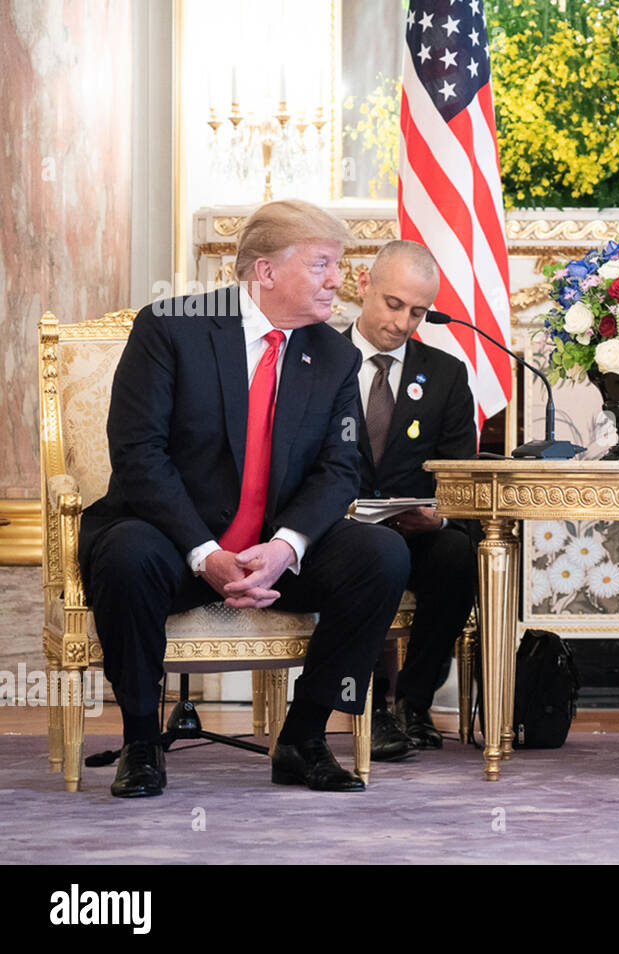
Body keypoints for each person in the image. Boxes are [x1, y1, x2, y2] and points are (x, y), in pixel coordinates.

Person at [80, 199, 410, 797]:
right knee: (125, 553)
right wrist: (205, 552)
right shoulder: (171, 325)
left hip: (271, 556)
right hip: (174, 543)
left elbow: (340, 471)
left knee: (380, 554)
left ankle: (302, 737)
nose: (338, 280)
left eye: (337, 265)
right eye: (322, 265)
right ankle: (140, 742)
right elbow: (138, 454)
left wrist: (284, 548)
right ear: (265, 271)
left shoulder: (334, 355)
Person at [347, 240, 477, 760]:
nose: (403, 324)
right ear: (364, 285)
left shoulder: (445, 375)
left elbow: (458, 474)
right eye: (393, 304)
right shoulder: (315, 358)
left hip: (414, 530)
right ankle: (369, 707)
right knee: (370, 557)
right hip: (339, 530)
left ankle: (414, 704)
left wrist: (439, 513)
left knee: (458, 553)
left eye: (418, 313)